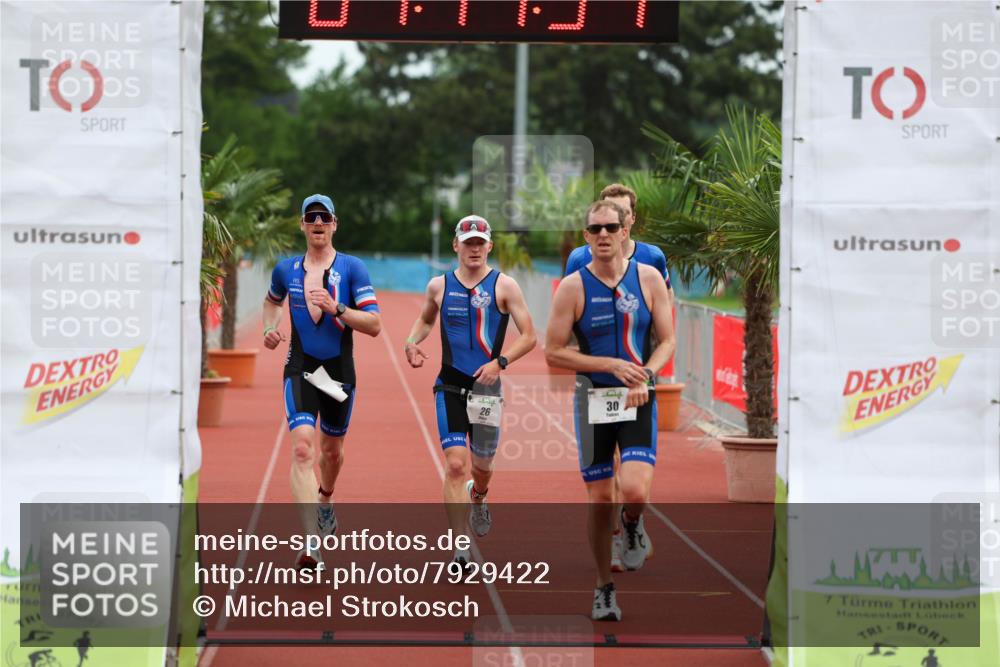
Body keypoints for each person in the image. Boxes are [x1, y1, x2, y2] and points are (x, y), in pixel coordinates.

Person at [546, 200, 676, 621]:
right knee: (600, 499)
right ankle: (604, 587)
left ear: (625, 231)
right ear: (586, 236)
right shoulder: (572, 287)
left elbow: (667, 340)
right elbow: (553, 352)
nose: (603, 234)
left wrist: (646, 375)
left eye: (610, 227)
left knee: (634, 490)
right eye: (595, 229)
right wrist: (609, 365)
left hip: (638, 398)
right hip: (593, 401)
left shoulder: (648, 277)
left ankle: (633, 523)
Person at [404, 215, 537, 570]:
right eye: (468, 243)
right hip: (449, 384)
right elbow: (426, 319)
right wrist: (411, 341)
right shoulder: (439, 286)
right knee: (455, 464)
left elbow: (529, 336)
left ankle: (479, 496)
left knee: (482, 466)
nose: (474, 249)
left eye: (480, 242)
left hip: (486, 389)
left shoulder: (505, 286)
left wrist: (500, 363)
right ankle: (460, 550)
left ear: (489, 246)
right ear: (456, 246)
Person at [262, 194, 382, 569]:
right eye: (311, 217)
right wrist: (269, 328)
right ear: (302, 225)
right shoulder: (286, 270)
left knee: (331, 452)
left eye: (324, 217)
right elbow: (272, 302)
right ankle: (310, 542)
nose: (318, 223)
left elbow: (375, 325)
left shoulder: (352, 268)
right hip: (301, 367)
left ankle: (325, 498)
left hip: (337, 374)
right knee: (302, 448)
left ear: (334, 224)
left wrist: (338, 309)